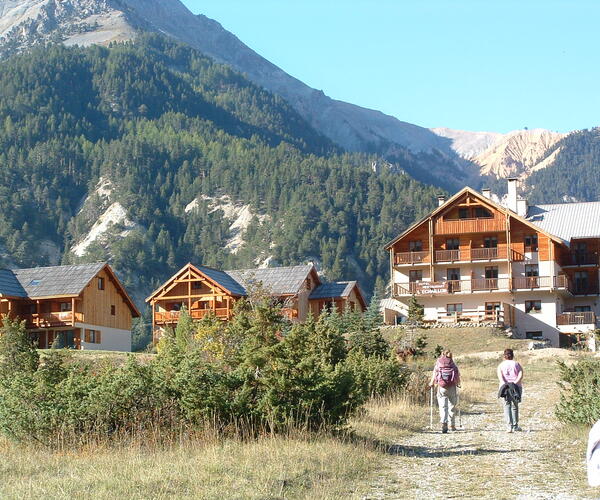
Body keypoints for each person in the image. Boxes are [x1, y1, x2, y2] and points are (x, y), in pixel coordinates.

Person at [429, 350, 461, 433]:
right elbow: (457, 375)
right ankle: (452, 425)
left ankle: (444, 423)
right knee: (452, 406)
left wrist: (432, 383)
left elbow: (434, 374)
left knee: (443, 406)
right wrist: (458, 384)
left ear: (442, 354)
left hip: (441, 387)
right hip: (452, 387)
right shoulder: (452, 364)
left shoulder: (439, 363)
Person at [497, 348, 523, 433]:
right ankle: (515, 426)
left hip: (505, 387)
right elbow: (520, 374)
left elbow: (500, 377)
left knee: (506, 405)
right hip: (516, 387)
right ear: (512, 355)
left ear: (504, 356)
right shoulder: (516, 364)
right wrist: (514, 383)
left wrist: (505, 384)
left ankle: (509, 426)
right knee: (515, 406)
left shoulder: (500, 365)